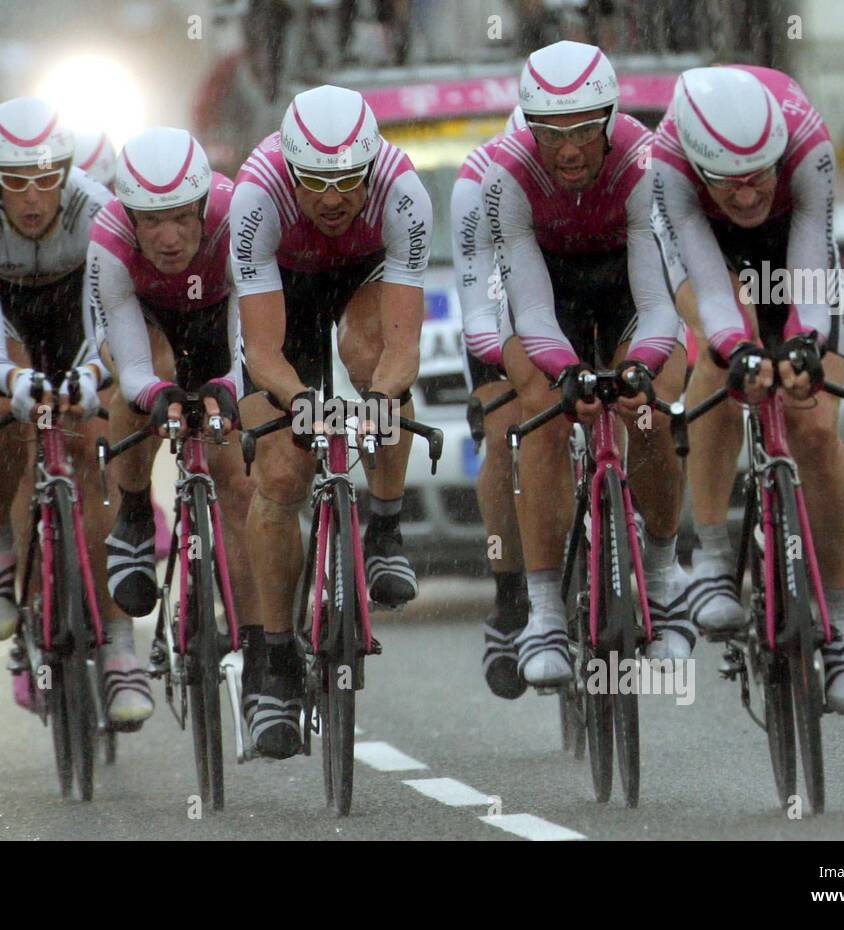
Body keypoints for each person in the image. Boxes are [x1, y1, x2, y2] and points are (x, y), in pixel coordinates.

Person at [651, 65, 844, 713]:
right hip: (709, 252)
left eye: (759, 177)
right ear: (699, 164)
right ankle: (715, 556)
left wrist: (805, 348)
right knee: (726, 361)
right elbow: (708, 292)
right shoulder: (668, 163)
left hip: (794, 252)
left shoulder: (807, 146)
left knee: (812, 422)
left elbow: (812, 268)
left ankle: (842, 623)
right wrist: (742, 350)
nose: (748, 194)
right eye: (731, 181)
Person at [230, 84, 432, 758]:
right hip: (284, 287)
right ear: (292, 172)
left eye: (349, 180)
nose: (335, 197)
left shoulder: (402, 191)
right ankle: (278, 658)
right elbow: (262, 351)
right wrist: (301, 404)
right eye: (317, 181)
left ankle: (386, 528)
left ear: (370, 168)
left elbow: (405, 349)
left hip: (365, 276)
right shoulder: (258, 195)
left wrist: (382, 397)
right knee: (281, 476)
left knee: (374, 364)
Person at [486, 40, 691, 688]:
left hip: (625, 288)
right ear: (530, 128)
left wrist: (639, 374)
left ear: (608, 122)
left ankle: (660, 572)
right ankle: (545, 609)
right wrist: (564, 374)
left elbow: (659, 305)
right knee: (540, 416)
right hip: (547, 293)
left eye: (581, 131)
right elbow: (529, 307)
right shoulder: (508, 171)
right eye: (551, 133)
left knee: (656, 409)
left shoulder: (643, 161)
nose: (568, 150)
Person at [0, 97, 153, 727]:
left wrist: (93, 376)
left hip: (76, 312)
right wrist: (8, 378)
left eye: (44, 179)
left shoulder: (98, 209)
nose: (32, 197)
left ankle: (120, 648)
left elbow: (108, 317)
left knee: (94, 438)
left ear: (64, 174)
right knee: (3, 407)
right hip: (6, 316)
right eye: (15, 182)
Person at [88, 127, 258, 715]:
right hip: (151, 323)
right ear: (128, 214)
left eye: (182, 218)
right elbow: (132, 363)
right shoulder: (108, 236)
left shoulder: (238, 213)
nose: (166, 237)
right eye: (150, 220)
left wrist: (230, 389)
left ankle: (258, 641)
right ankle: (134, 517)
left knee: (238, 483)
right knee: (132, 393)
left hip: (219, 321)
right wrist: (158, 395)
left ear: (204, 209)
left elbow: (252, 344)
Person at [453, 105, 531, 699]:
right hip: (506, 320)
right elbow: (479, 307)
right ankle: (509, 601)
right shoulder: (480, 182)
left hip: (588, 297)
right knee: (507, 433)